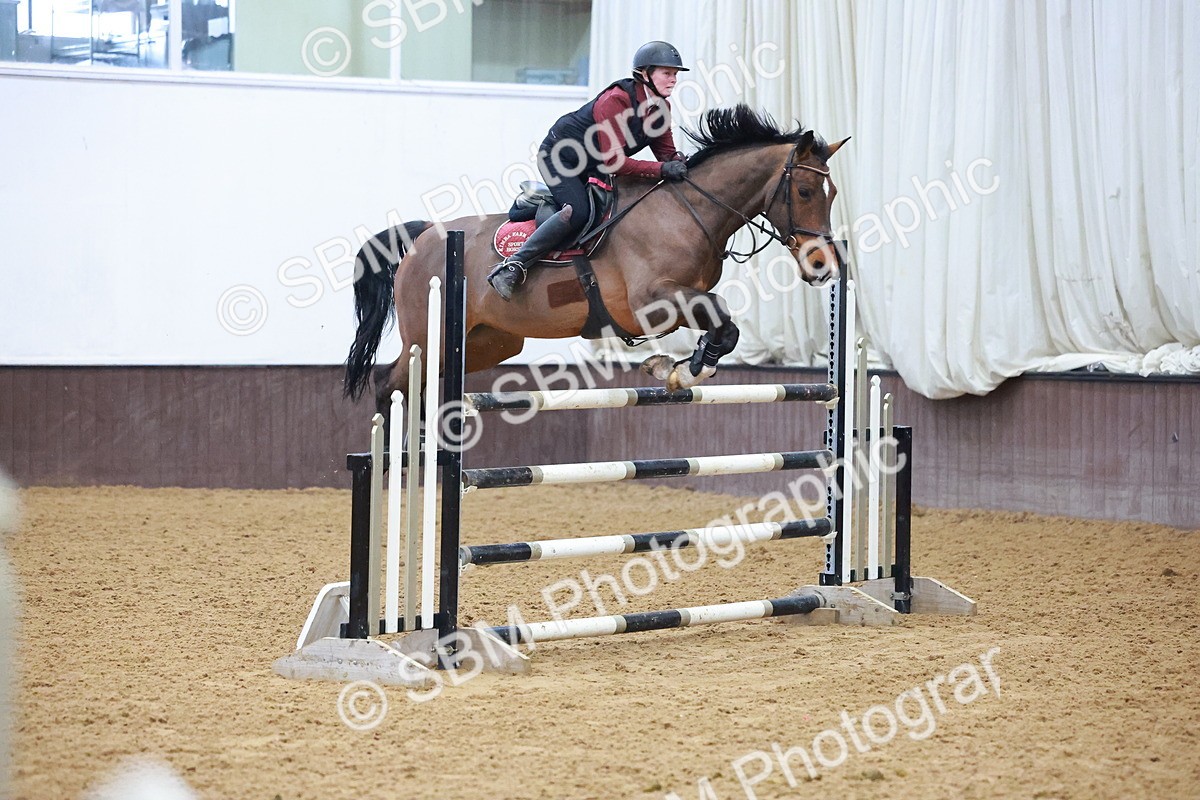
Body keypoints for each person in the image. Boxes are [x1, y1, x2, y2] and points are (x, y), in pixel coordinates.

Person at [487, 41, 692, 300]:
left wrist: (681, 163)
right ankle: (512, 267)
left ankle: (540, 207)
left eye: (675, 75)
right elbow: (615, 163)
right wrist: (664, 168)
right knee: (579, 212)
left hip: (594, 163)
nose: (673, 80)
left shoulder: (661, 108)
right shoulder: (616, 100)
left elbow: (665, 154)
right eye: (667, 73)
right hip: (560, 158)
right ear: (645, 73)